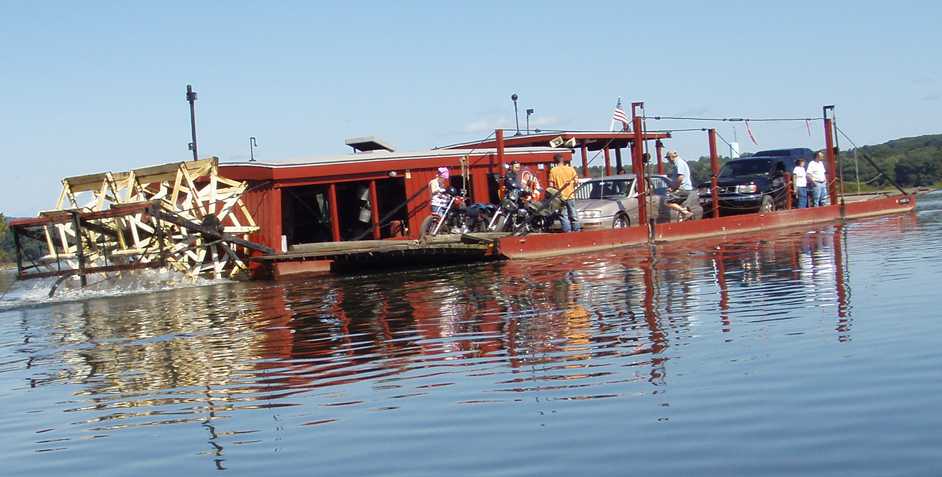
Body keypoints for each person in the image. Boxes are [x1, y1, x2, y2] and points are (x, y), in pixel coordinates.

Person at [548, 153, 581, 232]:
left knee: (563, 216)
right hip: (570, 196)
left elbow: (551, 185)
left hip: (560, 198)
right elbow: (576, 182)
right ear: (563, 160)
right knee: (573, 215)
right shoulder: (571, 169)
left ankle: (567, 232)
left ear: (555, 161)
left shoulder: (553, 170)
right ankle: (577, 231)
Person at [665, 150, 694, 219]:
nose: (668, 160)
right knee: (679, 205)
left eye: (668, 158)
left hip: (683, 188)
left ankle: (686, 213)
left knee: (667, 202)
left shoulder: (679, 163)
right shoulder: (680, 163)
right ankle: (686, 216)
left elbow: (680, 178)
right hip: (686, 188)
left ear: (671, 157)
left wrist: (673, 188)